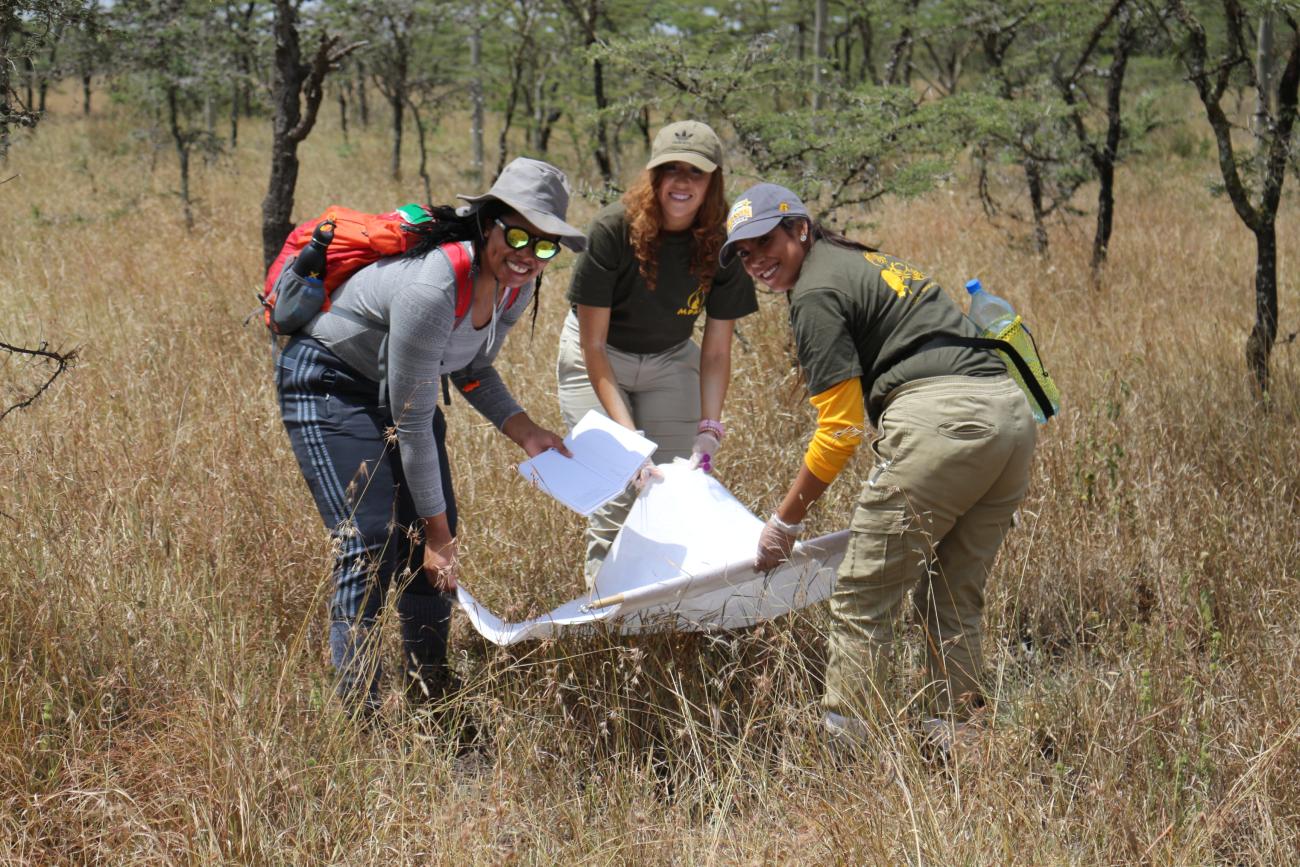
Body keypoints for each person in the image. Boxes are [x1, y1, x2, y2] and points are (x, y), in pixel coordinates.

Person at [718, 182, 1037, 741]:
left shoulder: (814, 292)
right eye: (743, 254)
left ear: (800, 228)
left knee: (864, 596)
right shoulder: (861, 260)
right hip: (1010, 421)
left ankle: (849, 758)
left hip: (944, 422)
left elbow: (839, 432)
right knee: (952, 589)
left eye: (764, 241)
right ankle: (960, 741)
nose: (755, 262)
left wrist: (784, 522)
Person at [275, 157, 585, 713]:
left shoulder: (514, 289)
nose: (526, 255)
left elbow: (467, 366)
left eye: (543, 247)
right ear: (487, 223)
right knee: (370, 541)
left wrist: (525, 431)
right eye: (517, 235)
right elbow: (413, 421)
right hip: (329, 381)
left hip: (396, 389)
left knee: (430, 532)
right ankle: (360, 713)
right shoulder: (436, 283)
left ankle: (430, 689)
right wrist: (440, 538)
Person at [557, 120, 758, 585]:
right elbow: (592, 345)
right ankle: (605, 621)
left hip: (669, 358)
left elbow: (715, 352)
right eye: (670, 170)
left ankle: (665, 617)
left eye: (696, 172)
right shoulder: (613, 228)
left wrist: (709, 430)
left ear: (714, 181)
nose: (682, 182)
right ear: (654, 176)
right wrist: (630, 447)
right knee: (617, 494)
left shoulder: (725, 241)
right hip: (600, 357)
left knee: (672, 488)